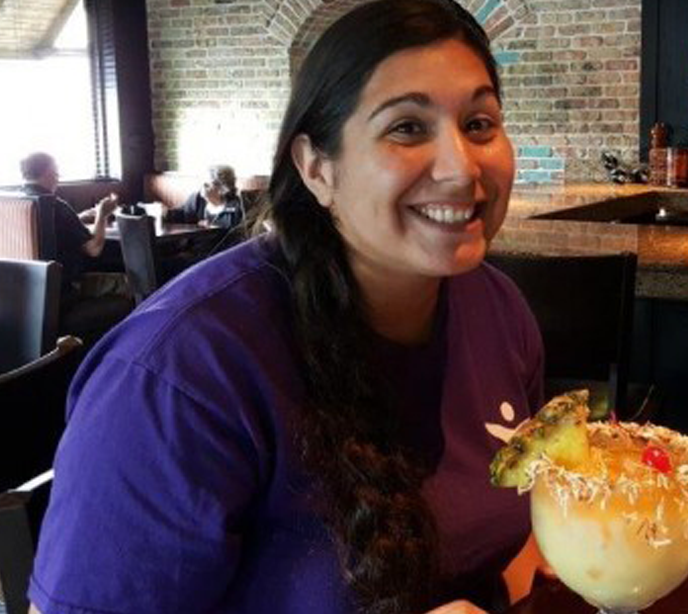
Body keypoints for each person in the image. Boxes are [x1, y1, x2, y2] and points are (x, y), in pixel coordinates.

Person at [29, 1, 547, 613]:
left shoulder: (497, 309)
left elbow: (515, 540)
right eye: (406, 127)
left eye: (480, 124)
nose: (463, 167)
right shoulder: (180, 373)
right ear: (316, 168)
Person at [20, 152, 122, 301]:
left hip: (29, 290)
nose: (58, 176)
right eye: (55, 171)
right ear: (47, 173)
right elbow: (94, 249)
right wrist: (103, 214)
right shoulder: (57, 206)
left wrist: (78, 217)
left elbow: (52, 227)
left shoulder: (22, 202)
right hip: (67, 287)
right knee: (134, 283)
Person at [166, 164, 244, 229]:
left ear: (222, 189)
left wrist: (211, 227)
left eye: (207, 184)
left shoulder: (236, 208)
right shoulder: (196, 199)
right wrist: (165, 213)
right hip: (195, 245)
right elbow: (182, 214)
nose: (202, 186)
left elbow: (236, 236)